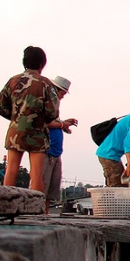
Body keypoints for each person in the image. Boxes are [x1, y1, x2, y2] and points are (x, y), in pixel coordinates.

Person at [0, 46, 59, 191]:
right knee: (36, 175)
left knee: (11, 170)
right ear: (42, 64)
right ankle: (35, 210)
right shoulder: (45, 83)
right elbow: (52, 112)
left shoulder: (13, 81)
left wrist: (15, 117)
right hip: (37, 133)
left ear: (24, 62)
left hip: (16, 132)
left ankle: (6, 206)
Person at [42, 76, 78, 214]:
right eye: (63, 93)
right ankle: (38, 213)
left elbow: (53, 122)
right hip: (47, 151)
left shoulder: (55, 104)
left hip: (56, 152)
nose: (63, 96)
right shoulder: (47, 102)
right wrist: (62, 124)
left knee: (52, 187)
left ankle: (45, 213)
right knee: (42, 186)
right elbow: (45, 123)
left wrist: (63, 124)